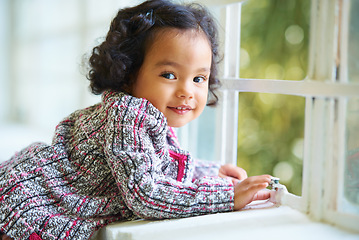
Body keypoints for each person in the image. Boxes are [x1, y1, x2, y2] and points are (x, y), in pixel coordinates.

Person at [0, 0, 272, 239]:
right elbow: (146, 193)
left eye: (198, 78)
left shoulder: (150, 118)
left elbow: (157, 163)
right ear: (129, 74)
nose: (187, 91)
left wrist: (211, 172)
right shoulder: (127, 116)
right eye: (169, 75)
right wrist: (227, 197)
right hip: (31, 197)